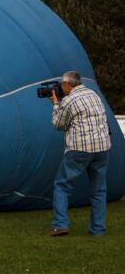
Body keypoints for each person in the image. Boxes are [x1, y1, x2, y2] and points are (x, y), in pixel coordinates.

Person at [49, 71, 111, 236]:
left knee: (62, 185)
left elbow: (58, 124)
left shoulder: (69, 101)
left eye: (62, 84)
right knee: (98, 190)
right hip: (102, 147)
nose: (61, 88)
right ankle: (98, 229)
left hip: (80, 148)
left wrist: (56, 104)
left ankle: (60, 225)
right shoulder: (94, 94)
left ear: (68, 85)